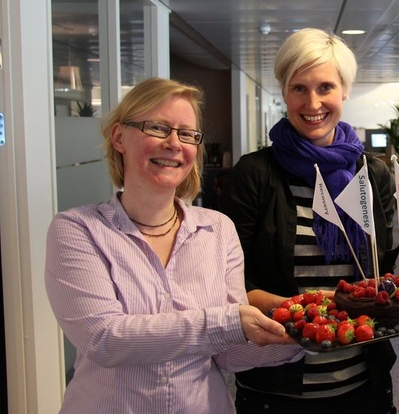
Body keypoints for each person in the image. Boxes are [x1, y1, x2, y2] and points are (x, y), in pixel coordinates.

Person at [45, 77, 305, 414]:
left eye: (186, 134)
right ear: (119, 137)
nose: (173, 143)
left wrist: (300, 334)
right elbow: (104, 339)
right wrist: (226, 323)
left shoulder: (217, 229)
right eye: (157, 128)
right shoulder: (78, 230)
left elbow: (227, 353)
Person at [218, 28, 399, 413]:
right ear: (284, 92)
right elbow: (225, 280)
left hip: (363, 380)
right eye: (299, 88)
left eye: (325, 87)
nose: (312, 102)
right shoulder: (254, 175)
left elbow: (384, 267)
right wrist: (303, 309)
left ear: (344, 90)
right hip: (277, 385)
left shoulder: (372, 175)